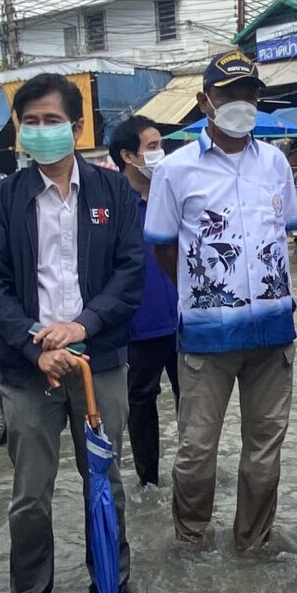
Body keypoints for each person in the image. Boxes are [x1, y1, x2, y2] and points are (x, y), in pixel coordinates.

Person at [0, 75, 148, 593]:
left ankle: (112, 583)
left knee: (106, 479)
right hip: (29, 368)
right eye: (31, 121)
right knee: (30, 493)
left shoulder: (112, 191)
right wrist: (36, 346)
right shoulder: (2, 198)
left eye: (52, 120)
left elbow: (130, 272)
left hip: (100, 360)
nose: (41, 130)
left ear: (77, 127)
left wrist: (83, 326)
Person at [145, 51, 297, 551]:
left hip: (274, 334)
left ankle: (253, 543)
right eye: (229, 94)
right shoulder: (174, 170)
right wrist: (203, 295)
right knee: (196, 450)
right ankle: (191, 540)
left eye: (249, 94)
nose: (241, 103)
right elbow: (164, 247)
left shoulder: (275, 162)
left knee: (265, 450)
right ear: (204, 101)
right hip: (206, 337)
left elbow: (285, 234)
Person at [108, 115, 179, 490]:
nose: (160, 153)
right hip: (138, 326)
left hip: (185, 320)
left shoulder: (173, 193)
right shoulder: (112, 205)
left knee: (196, 402)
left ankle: (194, 478)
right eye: (152, 147)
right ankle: (148, 482)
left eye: (161, 145)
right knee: (140, 404)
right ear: (127, 156)